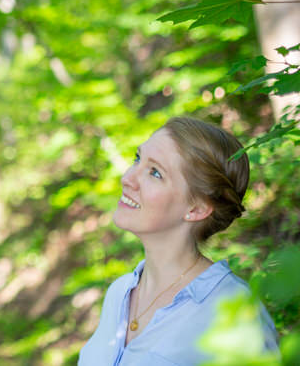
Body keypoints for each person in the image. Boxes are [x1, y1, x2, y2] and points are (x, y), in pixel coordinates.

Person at [79, 116, 279, 365]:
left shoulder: (232, 309)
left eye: (155, 173)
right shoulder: (118, 293)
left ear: (196, 209)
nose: (127, 178)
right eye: (138, 159)